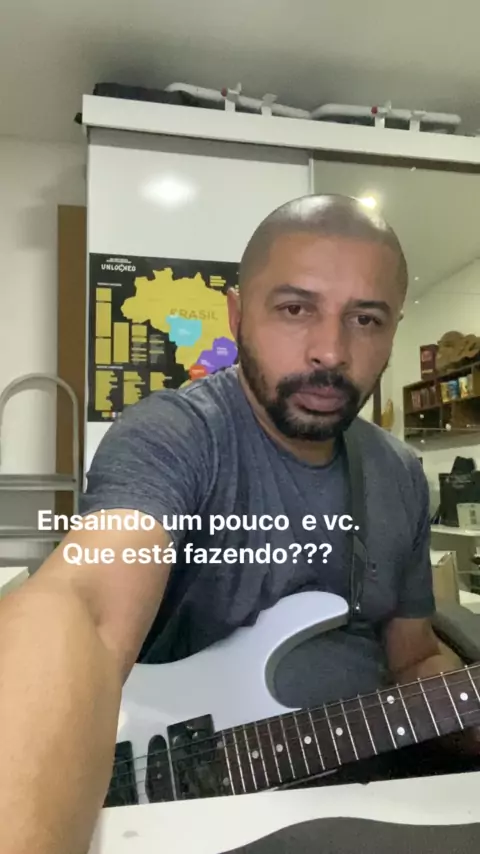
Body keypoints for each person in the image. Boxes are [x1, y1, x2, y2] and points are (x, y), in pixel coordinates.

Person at [0, 194, 477, 854]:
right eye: (295, 309)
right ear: (237, 314)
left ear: (393, 332)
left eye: (365, 319)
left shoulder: (398, 473)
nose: (330, 351)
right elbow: (83, 607)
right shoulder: (175, 436)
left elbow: (415, 657)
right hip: (180, 809)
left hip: (363, 793)